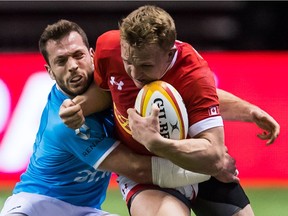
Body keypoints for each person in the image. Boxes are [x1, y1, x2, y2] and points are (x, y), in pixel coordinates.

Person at [59, 6, 280, 216]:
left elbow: (214, 156)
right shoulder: (108, 48)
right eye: (128, 62)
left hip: (196, 164)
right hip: (147, 177)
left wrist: (158, 143)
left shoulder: (192, 72)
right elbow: (107, 90)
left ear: (169, 53)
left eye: (145, 66)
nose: (135, 74)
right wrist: (79, 106)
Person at [0, 19, 215, 216]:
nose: (73, 65)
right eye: (61, 61)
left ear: (92, 55)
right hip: (36, 205)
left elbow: (197, 95)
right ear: (50, 71)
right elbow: (136, 167)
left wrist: (247, 111)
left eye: (78, 55)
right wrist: (209, 169)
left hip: (86, 210)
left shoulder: (117, 87)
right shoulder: (66, 121)